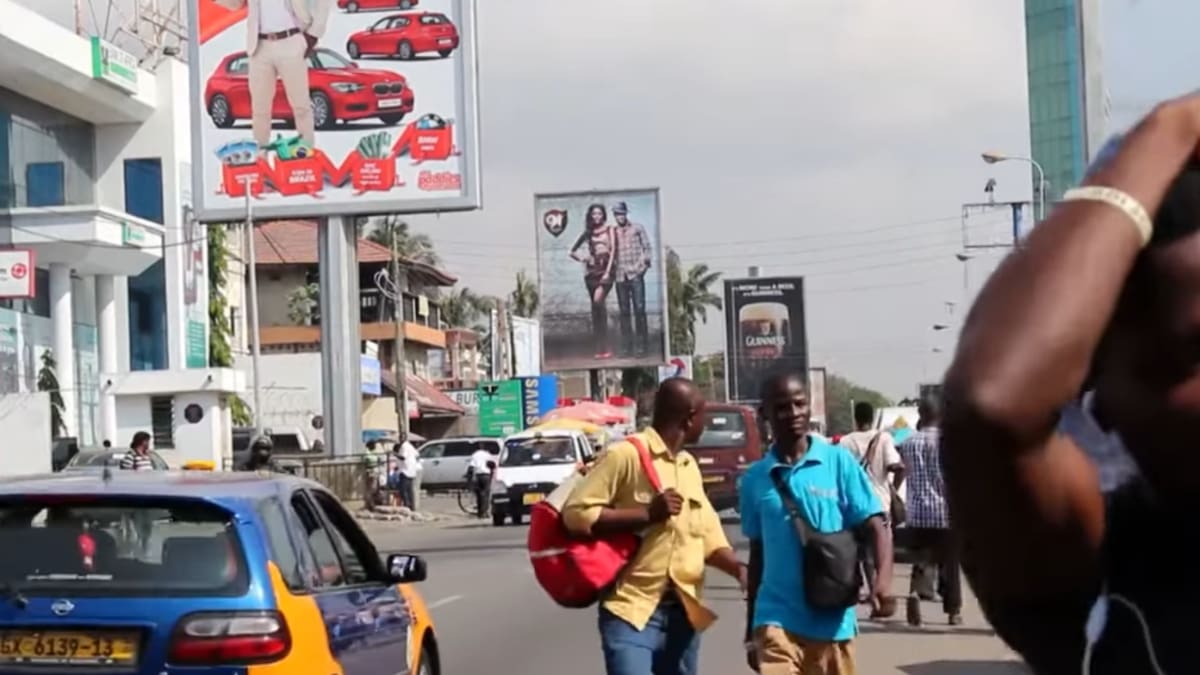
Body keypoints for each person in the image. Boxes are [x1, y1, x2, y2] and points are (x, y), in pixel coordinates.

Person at [940, 96, 1200, 674]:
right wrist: (1167, 131)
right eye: (1194, 354)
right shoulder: (1108, 573)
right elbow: (992, 407)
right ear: (1099, 394)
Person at [563, 378, 745, 675]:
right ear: (689, 418)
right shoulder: (626, 455)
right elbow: (576, 513)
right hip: (631, 609)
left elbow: (709, 538)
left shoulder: (688, 466)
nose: (705, 426)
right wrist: (647, 514)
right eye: (703, 418)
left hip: (684, 614)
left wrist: (739, 569)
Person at [740, 372, 891, 675]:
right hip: (776, 619)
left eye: (800, 404)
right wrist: (750, 628)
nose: (793, 414)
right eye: (782, 407)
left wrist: (883, 581)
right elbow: (758, 555)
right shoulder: (755, 480)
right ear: (765, 413)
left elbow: (877, 525)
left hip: (832, 621)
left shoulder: (838, 462)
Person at [213, 0, 332, 153]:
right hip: (260, 45)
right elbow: (237, 4)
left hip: (291, 39)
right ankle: (261, 162)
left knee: (301, 105)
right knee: (260, 110)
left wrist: (314, 33)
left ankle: (305, 156)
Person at [895, 396, 959, 627]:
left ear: (920, 415)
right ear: (939, 415)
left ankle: (915, 593)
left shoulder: (908, 443)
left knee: (921, 559)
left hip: (917, 512)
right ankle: (953, 611)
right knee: (949, 563)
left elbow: (904, 472)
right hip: (944, 512)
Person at [838, 401, 905, 613]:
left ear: (855, 419)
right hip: (880, 506)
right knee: (882, 553)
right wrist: (892, 489)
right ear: (871, 417)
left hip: (854, 507)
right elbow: (898, 467)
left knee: (863, 554)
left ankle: (872, 592)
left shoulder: (845, 442)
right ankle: (881, 595)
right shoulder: (883, 438)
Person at [569, 203, 617, 359]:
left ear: (603, 215)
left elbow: (613, 252)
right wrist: (584, 258)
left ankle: (607, 344)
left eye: (599, 213)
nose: (596, 216)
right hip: (592, 271)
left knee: (598, 302)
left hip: (607, 268)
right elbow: (572, 251)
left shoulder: (610, 230)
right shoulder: (588, 233)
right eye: (594, 214)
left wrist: (608, 272)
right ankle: (600, 347)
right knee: (596, 310)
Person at [611, 201, 653, 357]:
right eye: (616, 214)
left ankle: (642, 346)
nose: (619, 217)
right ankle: (626, 347)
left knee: (639, 310)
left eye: (621, 213)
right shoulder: (613, 231)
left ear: (626, 213)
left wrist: (642, 268)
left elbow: (647, 248)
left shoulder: (637, 228)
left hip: (636, 273)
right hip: (620, 276)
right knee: (624, 312)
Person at [466, 444, 494, 518]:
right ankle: (485, 512)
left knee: (479, 495)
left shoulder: (474, 455)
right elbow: (492, 465)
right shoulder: (487, 455)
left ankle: (480, 512)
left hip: (477, 476)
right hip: (486, 475)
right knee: (485, 495)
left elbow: (471, 467)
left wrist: (469, 479)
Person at [395, 433, 421, 510]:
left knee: (403, 490)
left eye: (402, 438)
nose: (401, 439)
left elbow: (403, 457)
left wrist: (394, 454)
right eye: (400, 438)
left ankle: (407, 505)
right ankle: (411, 506)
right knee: (409, 490)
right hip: (411, 471)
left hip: (405, 471)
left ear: (404, 438)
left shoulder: (404, 446)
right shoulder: (410, 446)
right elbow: (417, 454)